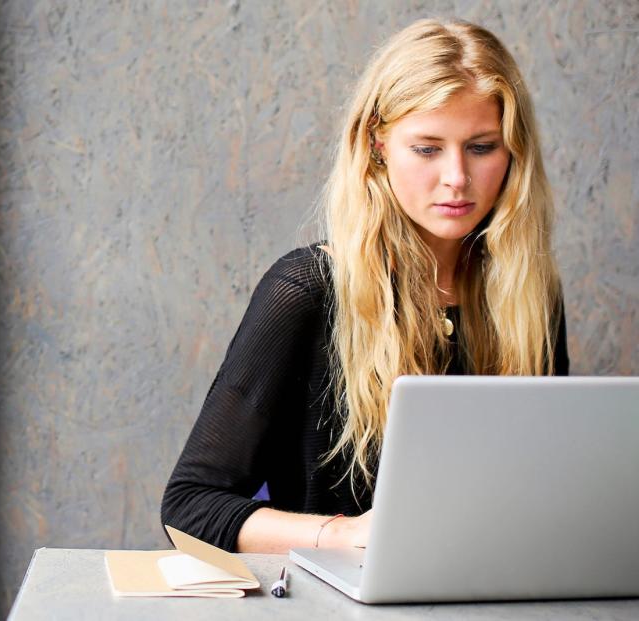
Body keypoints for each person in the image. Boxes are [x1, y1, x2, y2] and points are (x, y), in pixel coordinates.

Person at [161, 18, 569, 554]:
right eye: (427, 149)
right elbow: (190, 508)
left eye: (481, 147)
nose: (456, 178)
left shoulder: (530, 296)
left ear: (513, 151)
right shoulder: (306, 290)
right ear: (377, 146)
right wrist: (345, 533)